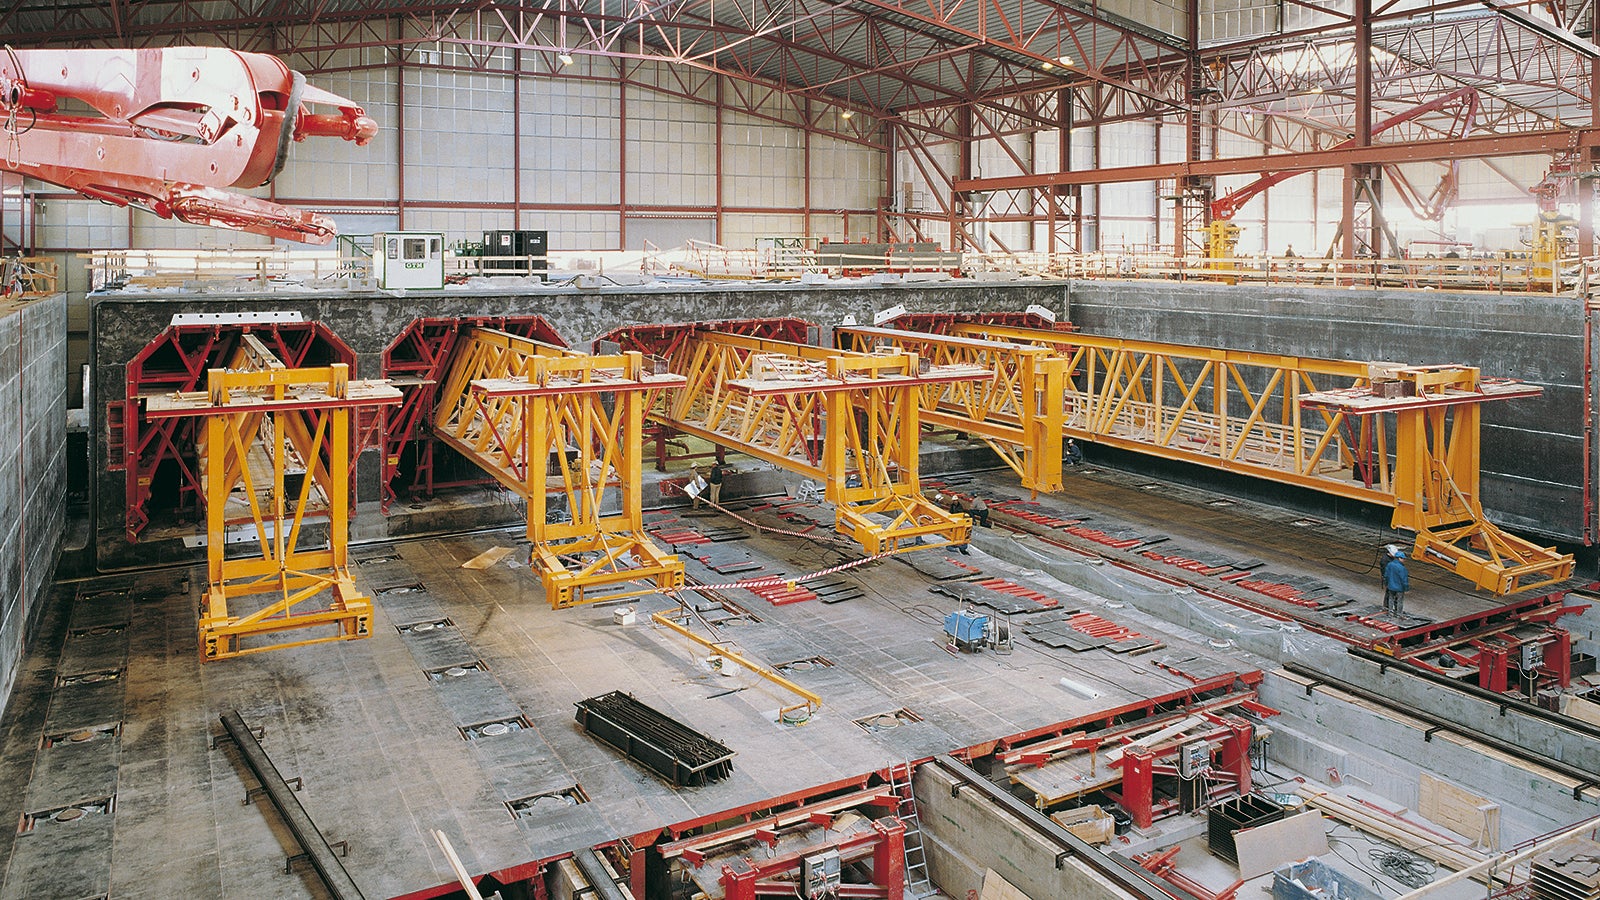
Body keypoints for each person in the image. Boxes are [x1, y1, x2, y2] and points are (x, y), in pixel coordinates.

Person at [1382, 545, 1409, 616]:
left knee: (1391, 599)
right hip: (1399, 588)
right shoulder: (1402, 568)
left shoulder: (1389, 565)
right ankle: (1399, 614)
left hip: (1391, 587)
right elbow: (1404, 579)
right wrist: (1406, 588)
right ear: (1399, 558)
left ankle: (1390, 612)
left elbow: (1386, 575)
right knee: (1399, 601)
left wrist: (1386, 584)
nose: (1404, 560)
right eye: (1403, 558)